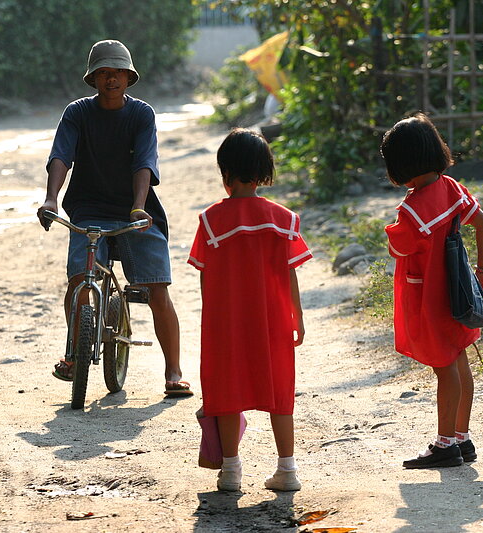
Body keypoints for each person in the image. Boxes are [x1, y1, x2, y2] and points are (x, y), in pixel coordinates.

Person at [36, 40, 191, 397]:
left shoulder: (141, 114)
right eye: (103, 73)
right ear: (93, 79)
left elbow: (145, 163)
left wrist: (139, 206)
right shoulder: (77, 113)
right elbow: (61, 155)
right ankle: (74, 353)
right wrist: (50, 199)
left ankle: (174, 371)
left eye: (117, 72)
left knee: (157, 289)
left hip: (136, 210)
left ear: (128, 76)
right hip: (88, 211)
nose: (111, 79)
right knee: (78, 281)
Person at [188, 128, 311, 491]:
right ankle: (287, 470)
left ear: (225, 172)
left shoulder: (211, 221)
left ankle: (231, 470)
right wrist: (297, 318)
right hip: (274, 320)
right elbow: (290, 275)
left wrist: (211, 320)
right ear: (264, 172)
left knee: (226, 389)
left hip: (226, 322)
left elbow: (205, 278)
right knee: (280, 390)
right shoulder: (283, 219)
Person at [380, 113, 483, 469]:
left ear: (401, 163)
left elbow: (398, 249)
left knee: (445, 367)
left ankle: (445, 445)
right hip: (459, 290)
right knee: (459, 357)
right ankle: (462, 437)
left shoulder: (412, 209)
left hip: (430, 298)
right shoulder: (452, 188)